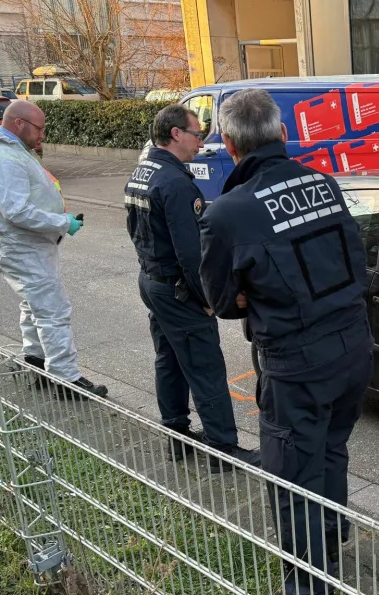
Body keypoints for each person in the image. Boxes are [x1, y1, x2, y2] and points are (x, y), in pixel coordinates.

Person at [198, 89, 372, 595]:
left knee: (292, 478)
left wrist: (253, 292)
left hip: (297, 365)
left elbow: (220, 299)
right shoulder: (320, 182)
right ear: (279, 132)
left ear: (228, 144)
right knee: (331, 452)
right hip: (354, 348)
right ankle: (330, 539)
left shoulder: (229, 212)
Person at [125, 104, 259, 468]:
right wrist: (209, 299)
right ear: (176, 134)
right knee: (206, 368)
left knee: (169, 360)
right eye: (198, 134)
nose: (202, 141)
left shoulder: (143, 172)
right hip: (178, 288)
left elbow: (136, 231)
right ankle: (223, 450)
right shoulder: (174, 182)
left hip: (152, 282)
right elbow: (191, 253)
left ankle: (177, 436)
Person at [0, 100, 107, 397]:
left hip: (23, 246)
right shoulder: (5, 157)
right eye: (39, 128)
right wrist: (61, 222)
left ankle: (37, 362)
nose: (43, 134)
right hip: (22, 247)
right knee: (53, 311)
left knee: (34, 305)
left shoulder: (10, 152)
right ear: (18, 123)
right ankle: (65, 380)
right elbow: (16, 210)